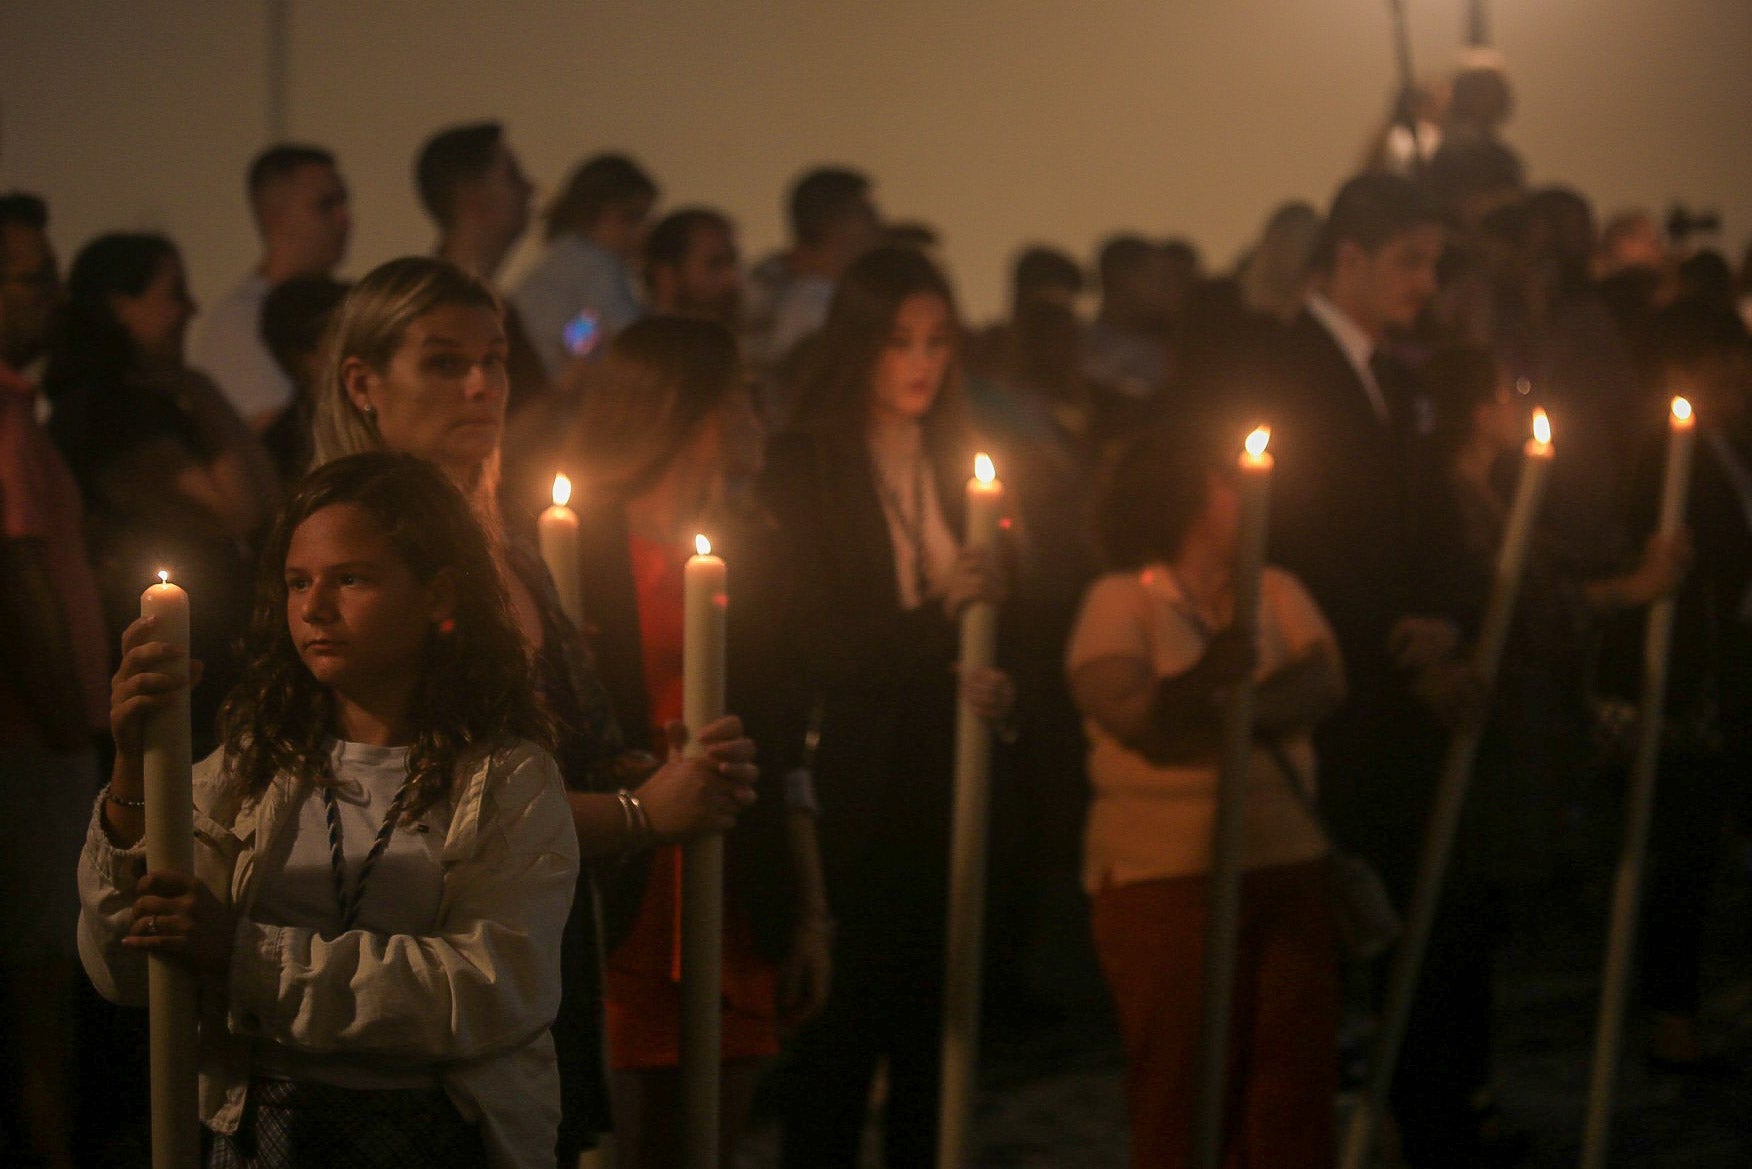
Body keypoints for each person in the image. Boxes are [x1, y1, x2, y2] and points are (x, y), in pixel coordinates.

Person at [308, 256, 759, 1161]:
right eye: (444, 363)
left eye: (497, 359)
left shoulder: (506, 547)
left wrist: (642, 769)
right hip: (423, 968)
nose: (481, 385)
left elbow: (554, 750)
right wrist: (640, 813)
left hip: (534, 951)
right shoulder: (348, 557)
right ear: (364, 384)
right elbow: (422, 804)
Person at [78, 451, 579, 1168]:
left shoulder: (505, 779)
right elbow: (122, 973)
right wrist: (134, 758)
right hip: (264, 1137)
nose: (314, 608)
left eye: (351, 578)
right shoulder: (257, 765)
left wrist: (248, 956)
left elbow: (492, 985)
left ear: (438, 595)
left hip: (433, 1138)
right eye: (297, 582)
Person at [758, 245, 1015, 1167]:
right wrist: (937, 624)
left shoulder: (958, 462)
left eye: (938, 341)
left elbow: (990, 624)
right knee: (836, 1045)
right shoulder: (805, 465)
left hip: (946, 776)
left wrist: (990, 670)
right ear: (858, 344)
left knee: (933, 1044)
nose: (919, 362)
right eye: (899, 340)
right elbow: (815, 636)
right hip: (853, 788)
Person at [563, 316, 831, 1166]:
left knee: (715, 1131)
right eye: (742, 397)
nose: (759, 416)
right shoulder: (583, 546)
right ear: (691, 412)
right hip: (629, 866)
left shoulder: (761, 552)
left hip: (737, 870)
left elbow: (782, 743)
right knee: (631, 1132)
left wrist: (812, 906)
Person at [1068, 425, 1344, 1169]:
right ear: (1185, 496)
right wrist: (1212, 688)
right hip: (1167, 877)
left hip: (1286, 862)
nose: (1248, 495)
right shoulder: (1120, 599)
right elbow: (1133, 717)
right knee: (1185, 1085)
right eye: (1230, 480)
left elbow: (1324, 682)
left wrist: (1224, 707)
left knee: (1290, 1083)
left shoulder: (1276, 590)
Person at [45, 232, 281, 750]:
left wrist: (197, 389)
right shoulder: (104, 416)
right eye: (173, 291)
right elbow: (236, 511)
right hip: (161, 670)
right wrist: (200, 389)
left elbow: (269, 501)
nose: (192, 308)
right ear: (118, 305)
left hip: (197, 657)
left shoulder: (158, 405)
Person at [0, 191, 109, 1169]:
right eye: (35, 277)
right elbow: (18, 574)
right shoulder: (1, 419)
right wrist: (77, 724)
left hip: (44, 739)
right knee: (40, 986)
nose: (55, 295)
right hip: (31, 745)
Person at [191, 144, 351, 434]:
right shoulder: (242, 323)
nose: (345, 219)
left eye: (344, 203)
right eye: (325, 205)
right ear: (273, 217)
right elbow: (272, 432)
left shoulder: (342, 300)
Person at [412, 121, 549, 415]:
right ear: (472, 196)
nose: (529, 188)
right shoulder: (437, 309)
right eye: (512, 177)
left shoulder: (496, 305)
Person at [511, 153, 658, 378]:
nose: (644, 231)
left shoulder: (558, 264)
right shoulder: (594, 263)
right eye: (631, 217)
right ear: (589, 214)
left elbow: (580, 333)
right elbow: (632, 337)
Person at [743, 166, 884, 391]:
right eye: (867, 210)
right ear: (839, 223)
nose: (879, 221)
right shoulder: (817, 306)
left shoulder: (804, 298)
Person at [643, 207, 742, 328]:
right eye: (715, 264)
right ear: (666, 275)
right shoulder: (631, 342)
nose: (731, 278)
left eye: (732, 263)